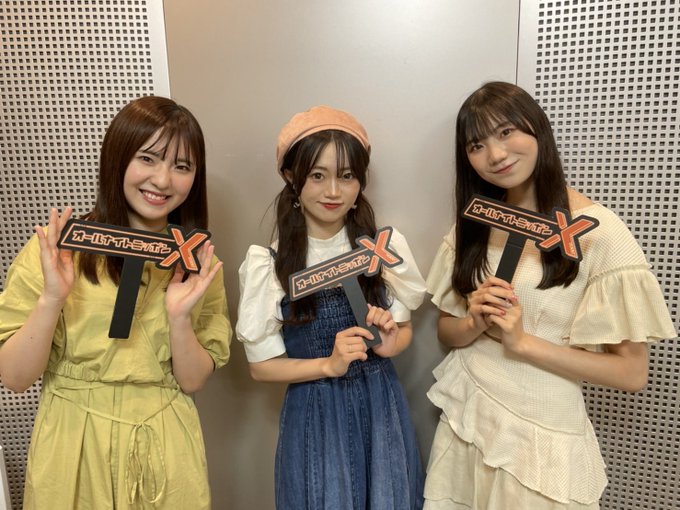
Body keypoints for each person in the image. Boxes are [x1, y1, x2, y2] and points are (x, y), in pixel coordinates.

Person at [423, 81, 676, 509]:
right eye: (477, 145)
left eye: (506, 132)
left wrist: (523, 343)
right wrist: (474, 322)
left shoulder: (599, 232)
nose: (495, 155)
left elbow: (631, 373)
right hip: (468, 415)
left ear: (537, 128)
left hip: (543, 432)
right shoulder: (475, 223)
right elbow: (446, 331)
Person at [0, 96, 232, 509]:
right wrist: (52, 297)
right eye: (148, 158)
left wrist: (179, 317)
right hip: (72, 441)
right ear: (117, 158)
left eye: (181, 166)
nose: (163, 180)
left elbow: (193, 381)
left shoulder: (199, 263)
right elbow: (15, 377)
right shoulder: (59, 250)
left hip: (165, 442)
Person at [236, 105, 426, 509]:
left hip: (381, 406)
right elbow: (261, 367)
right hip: (316, 412)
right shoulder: (268, 264)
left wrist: (390, 342)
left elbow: (404, 330)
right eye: (318, 175)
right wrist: (328, 365)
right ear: (292, 177)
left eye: (346, 176)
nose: (334, 192)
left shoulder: (383, 249)